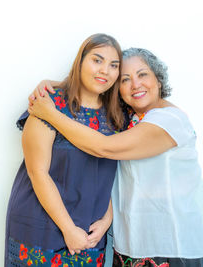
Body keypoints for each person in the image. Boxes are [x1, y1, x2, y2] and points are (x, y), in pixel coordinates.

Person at [28, 48, 203, 266]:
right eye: (125, 79)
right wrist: (56, 85)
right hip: (130, 245)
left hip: (170, 244)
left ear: (158, 80)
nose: (135, 84)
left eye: (142, 74)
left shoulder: (169, 120)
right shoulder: (132, 117)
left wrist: (50, 114)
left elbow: (104, 148)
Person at [5, 33, 125, 267]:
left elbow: (104, 173)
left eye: (113, 65)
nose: (105, 71)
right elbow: (37, 172)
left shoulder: (117, 117)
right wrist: (68, 229)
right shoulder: (48, 103)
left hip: (91, 234)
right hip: (43, 226)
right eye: (97, 60)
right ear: (80, 62)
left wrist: (107, 218)